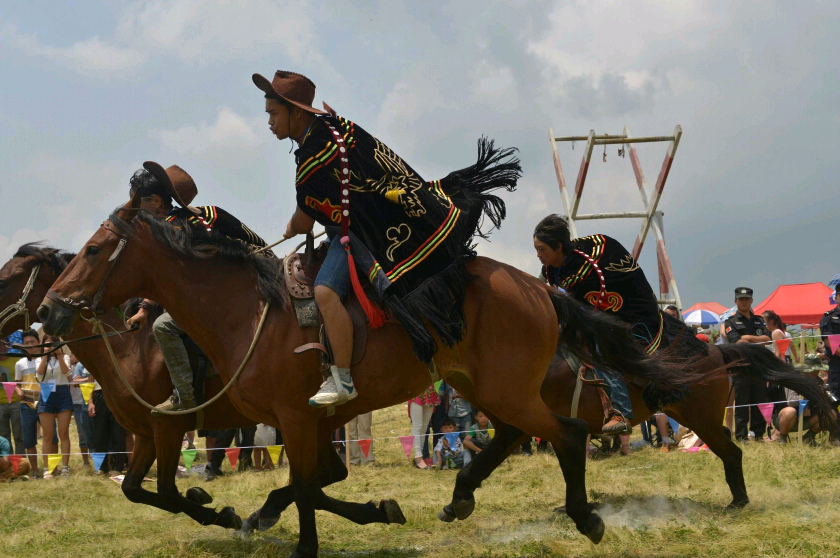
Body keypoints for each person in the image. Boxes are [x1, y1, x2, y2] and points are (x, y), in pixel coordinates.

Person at [255, 69, 519, 407]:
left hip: (365, 234)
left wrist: (292, 227)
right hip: (377, 219)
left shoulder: (313, 156)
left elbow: (305, 219)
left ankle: (342, 378)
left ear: (296, 112)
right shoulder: (337, 128)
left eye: (274, 113)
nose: (270, 122)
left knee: (324, 292)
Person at [124, 163, 267, 412]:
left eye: (138, 203)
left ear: (156, 201)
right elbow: (256, 243)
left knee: (163, 326)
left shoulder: (170, 229)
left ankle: (184, 395)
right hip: (259, 281)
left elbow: (168, 277)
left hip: (227, 297)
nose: (134, 211)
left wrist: (144, 309)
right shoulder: (206, 212)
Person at [534, 214, 662, 435]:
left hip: (625, 315)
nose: (538, 254)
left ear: (559, 247)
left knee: (599, 348)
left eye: (542, 249)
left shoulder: (586, 269)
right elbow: (541, 289)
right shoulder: (551, 267)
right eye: (536, 249)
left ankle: (619, 411)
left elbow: (581, 308)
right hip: (591, 314)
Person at [723, 287, 772, 441]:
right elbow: (737, 342)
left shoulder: (759, 320)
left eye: (746, 299)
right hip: (741, 367)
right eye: (741, 299)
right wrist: (756, 341)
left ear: (751, 301)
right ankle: (741, 436)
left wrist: (749, 338)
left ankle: (758, 434)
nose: (744, 302)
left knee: (760, 400)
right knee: (742, 403)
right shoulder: (730, 322)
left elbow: (768, 339)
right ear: (735, 301)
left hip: (758, 366)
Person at [36, 336, 74, 477]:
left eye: (53, 344)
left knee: (63, 433)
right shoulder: (39, 358)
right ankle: (47, 469)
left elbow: (66, 372)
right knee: (47, 435)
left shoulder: (65, 357)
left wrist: (59, 355)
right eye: (48, 345)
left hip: (62, 393)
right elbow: (39, 374)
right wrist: (45, 356)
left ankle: (65, 468)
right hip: (46, 394)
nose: (51, 347)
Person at [772, 355, 828, 443]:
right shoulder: (793, 380)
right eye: (814, 371)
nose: (816, 373)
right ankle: (783, 438)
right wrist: (811, 394)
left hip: (808, 418)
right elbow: (792, 401)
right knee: (790, 411)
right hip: (786, 418)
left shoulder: (819, 381)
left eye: (817, 370)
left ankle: (808, 438)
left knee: (830, 414)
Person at [0, 340, 24, 455]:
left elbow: (22, 380)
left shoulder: (17, 361)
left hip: (16, 401)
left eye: (5, 344)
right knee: (4, 436)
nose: (2, 347)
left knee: (19, 434)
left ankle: (20, 459)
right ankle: (8, 459)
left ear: (9, 346)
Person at [14, 330, 44, 478]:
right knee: (29, 440)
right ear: (23, 345)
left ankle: (52, 469)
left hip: (45, 403)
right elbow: (17, 384)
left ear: (38, 342)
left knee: (51, 437)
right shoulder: (20, 363)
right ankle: (36, 471)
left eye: (33, 342)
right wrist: (19, 392)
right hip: (27, 404)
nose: (30, 345)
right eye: (27, 343)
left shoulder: (45, 359)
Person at [67, 352, 93, 468]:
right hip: (79, 404)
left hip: (95, 402)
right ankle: (86, 462)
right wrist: (90, 378)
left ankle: (98, 460)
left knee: (97, 433)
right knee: (83, 434)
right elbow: (74, 382)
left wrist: (83, 379)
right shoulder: (79, 366)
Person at [408, 385, 440, 469]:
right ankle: (418, 457)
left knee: (424, 427)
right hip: (416, 391)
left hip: (430, 392)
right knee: (417, 426)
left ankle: (419, 456)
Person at [820, 284, 840, 402]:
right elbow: (831, 344)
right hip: (837, 366)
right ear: (836, 298)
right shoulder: (829, 318)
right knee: (836, 402)